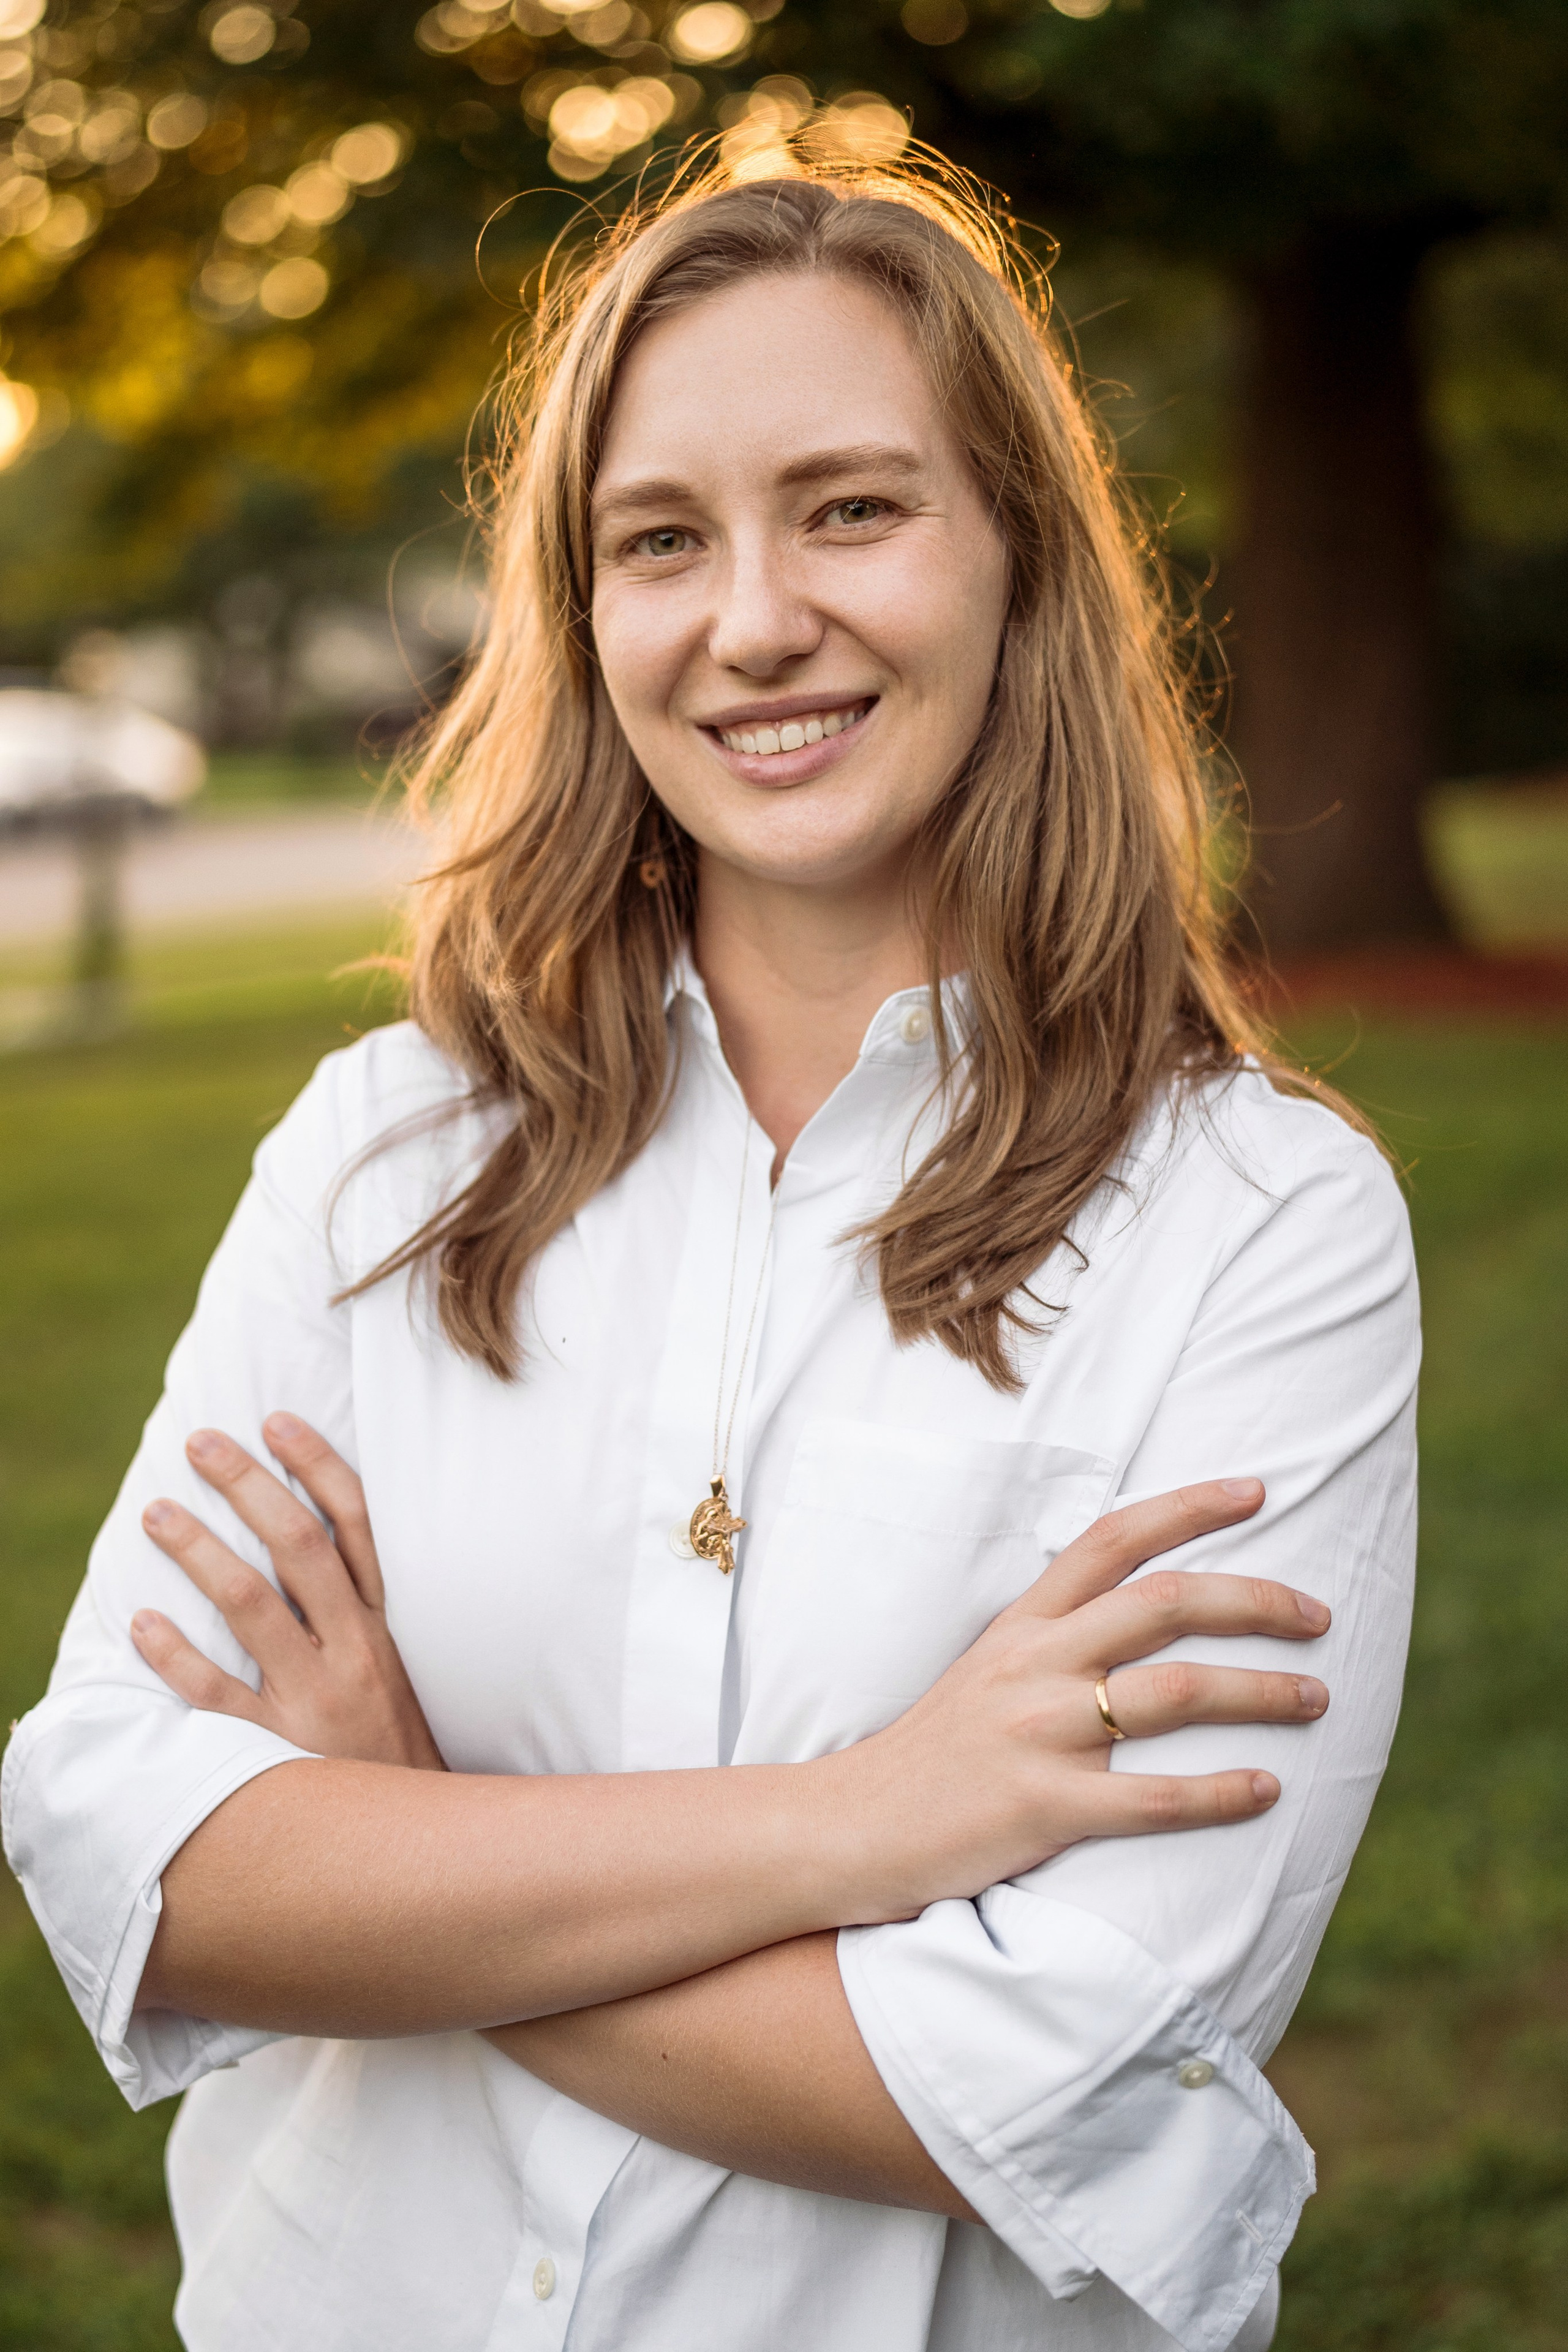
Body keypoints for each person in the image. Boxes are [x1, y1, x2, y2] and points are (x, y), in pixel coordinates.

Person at [1, 155, 1419, 2352]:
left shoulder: (1258, 1229)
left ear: (1018, 553)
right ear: (582, 613)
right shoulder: (387, 1152)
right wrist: (867, 1826)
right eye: (659, 540)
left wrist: (400, 1849)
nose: (752, 618)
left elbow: (1047, 2086)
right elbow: (131, 1851)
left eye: (851, 509)